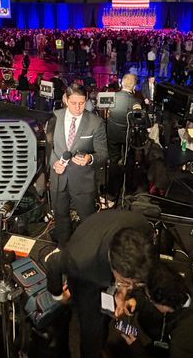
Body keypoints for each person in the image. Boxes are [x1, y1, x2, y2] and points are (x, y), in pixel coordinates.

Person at [44, 212, 155, 358]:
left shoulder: (142, 226)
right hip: (86, 275)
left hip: (104, 238)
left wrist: (123, 292)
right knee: (92, 327)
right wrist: (59, 295)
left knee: (107, 312)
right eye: (126, 283)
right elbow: (52, 263)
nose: (131, 287)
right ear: (114, 268)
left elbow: (135, 274)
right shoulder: (80, 261)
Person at [110, 264, 193, 358]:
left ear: (164, 305)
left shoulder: (184, 342)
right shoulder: (186, 287)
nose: (147, 300)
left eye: (148, 298)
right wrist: (136, 301)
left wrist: (136, 347)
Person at [46, 84, 108, 246]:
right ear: (65, 99)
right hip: (58, 178)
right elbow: (48, 148)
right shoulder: (53, 117)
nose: (78, 107)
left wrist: (89, 158)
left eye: (82, 103)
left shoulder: (95, 122)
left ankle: (89, 252)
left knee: (88, 219)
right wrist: (54, 163)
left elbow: (103, 154)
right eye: (74, 103)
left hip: (83, 180)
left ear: (86, 100)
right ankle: (63, 249)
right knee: (60, 217)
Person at [106, 74, 142, 198]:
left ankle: (111, 189)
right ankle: (128, 189)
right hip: (127, 137)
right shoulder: (135, 101)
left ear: (122, 84)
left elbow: (104, 113)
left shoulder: (111, 97)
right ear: (134, 87)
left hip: (112, 134)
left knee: (113, 160)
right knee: (129, 160)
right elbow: (142, 121)